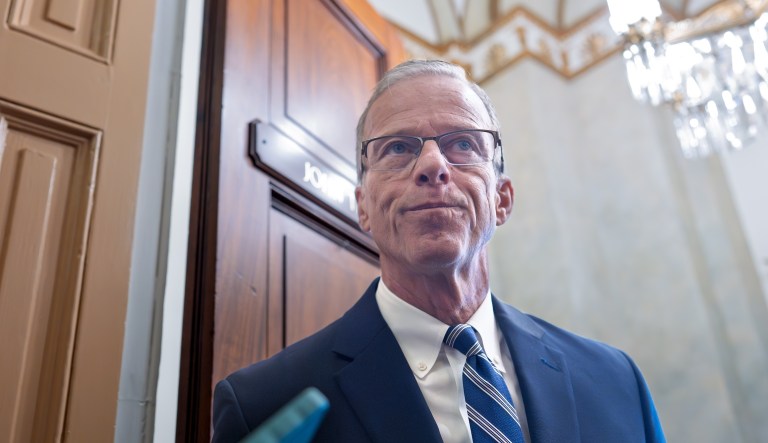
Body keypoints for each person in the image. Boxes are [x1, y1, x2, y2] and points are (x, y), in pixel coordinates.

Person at [211, 60, 666, 443]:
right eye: (397, 148)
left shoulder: (615, 380)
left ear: (502, 199)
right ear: (364, 207)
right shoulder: (265, 402)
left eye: (463, 144)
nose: (432, 166)